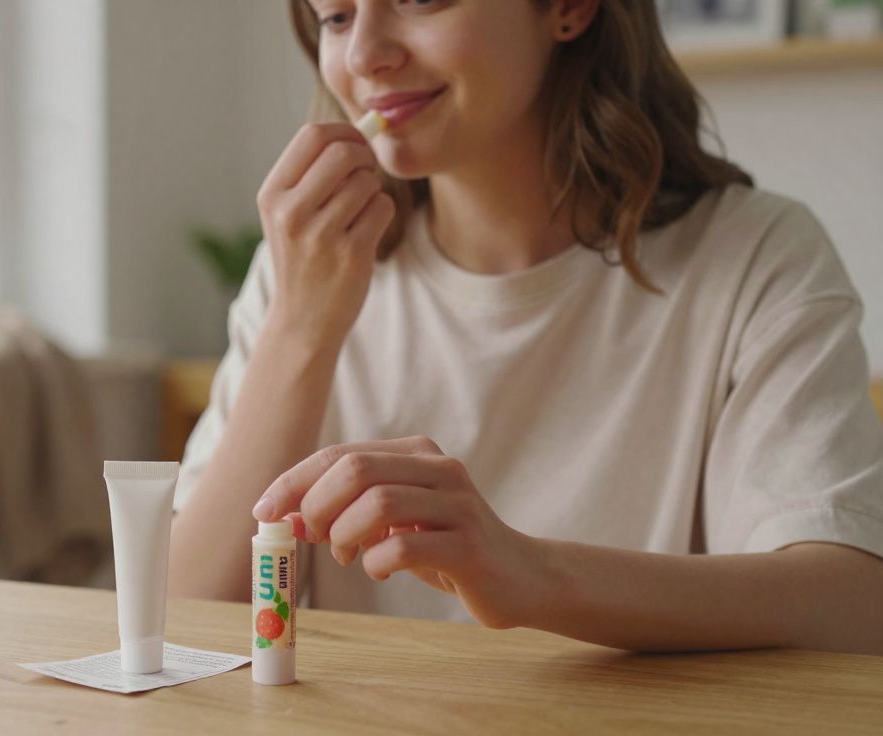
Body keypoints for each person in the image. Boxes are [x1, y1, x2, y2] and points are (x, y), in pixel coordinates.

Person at [167, 0, 883, 654]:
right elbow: (185, 619)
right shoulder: (302, 271)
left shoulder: (754, 259)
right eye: (336, 17)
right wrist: (298, 331)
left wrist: (530, 573)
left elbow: (849, 606)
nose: (363, 57)